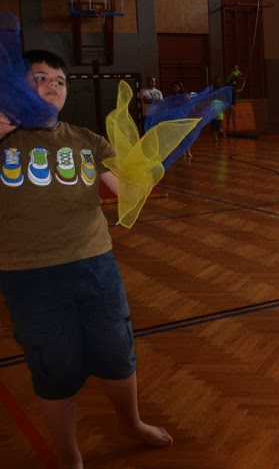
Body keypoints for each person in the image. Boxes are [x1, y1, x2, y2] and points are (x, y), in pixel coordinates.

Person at [0, 50, 173, 469]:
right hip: (29, 277)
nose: (53, 86)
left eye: (60, 81)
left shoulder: (86, 140)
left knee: (117, 354)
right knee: (55, 370)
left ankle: (131, 423)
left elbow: (125, 190)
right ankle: (69, 455)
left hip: (96, 265)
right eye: (40, 78)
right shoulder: (5, 140)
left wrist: (148, 164)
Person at [171, 81, 193, 158]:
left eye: (176, 87)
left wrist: (188, 113)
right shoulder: (173, 97)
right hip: (176, 117)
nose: (174, 88)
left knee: (185, 134)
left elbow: (190, 104)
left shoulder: (184, 95)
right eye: (174, 87)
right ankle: (182, 150)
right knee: (178, 135)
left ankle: (188, 151)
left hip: (184, 117)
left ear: (180, 87)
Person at [225, 64, 244, 134]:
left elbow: (239, 90)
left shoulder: (233, 89)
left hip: (230, 104)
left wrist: (243, 83)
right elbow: (238, 78)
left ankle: (233, 129)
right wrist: (242, 79)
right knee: (230, 117)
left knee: (231, 117)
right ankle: (230, 129)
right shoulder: (230, 88)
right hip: (229, 104)